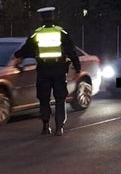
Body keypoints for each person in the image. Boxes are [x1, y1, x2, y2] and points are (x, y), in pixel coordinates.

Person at [13, 7, 81, 136]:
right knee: (60, 98)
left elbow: (26, 48)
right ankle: (59, 127)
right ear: (53, 16)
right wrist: (77, 68)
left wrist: (16, 56)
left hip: (43, 70)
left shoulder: (37, 33)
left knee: (44, 99)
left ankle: (45, 126)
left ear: (41, 18)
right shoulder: (61, 33)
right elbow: (72, 51)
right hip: (59, 69)